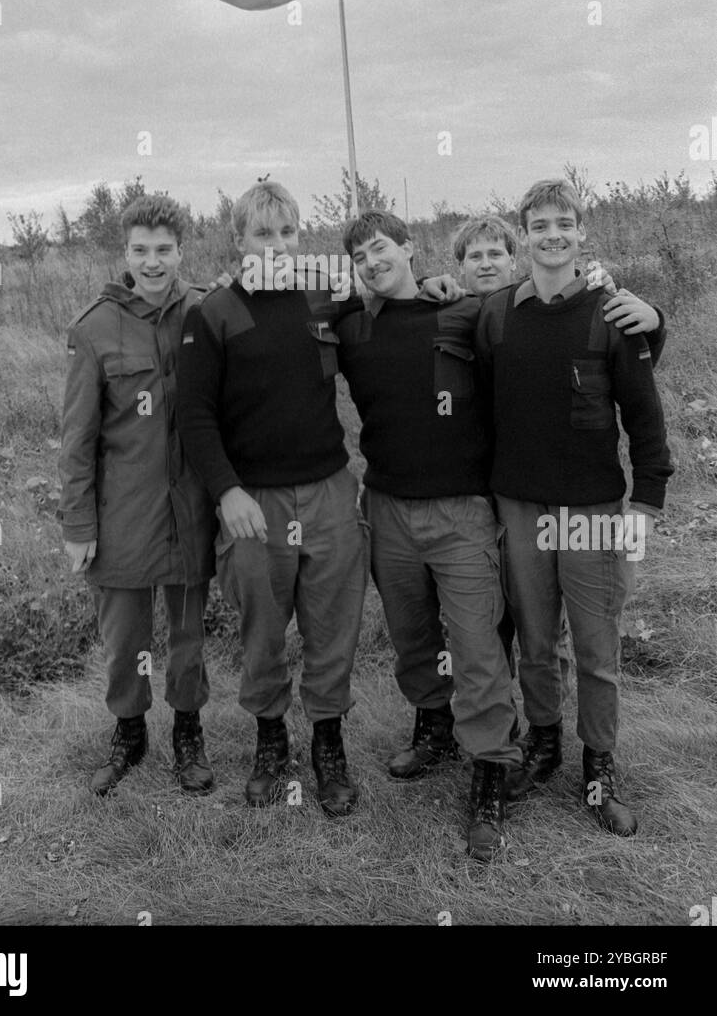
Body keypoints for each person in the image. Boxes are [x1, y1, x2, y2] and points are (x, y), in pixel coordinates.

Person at [475, 180, 673, 837]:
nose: (552, 234)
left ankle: (597, 767)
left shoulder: (610, 313)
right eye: (538, 224)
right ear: (522, 234)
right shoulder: (497, 314)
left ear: (580, 232)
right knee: (533, 642)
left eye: (564, 223)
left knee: (593, 648)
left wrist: (645, 503)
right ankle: (542, 742)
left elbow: (644, 420)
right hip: (519, 505)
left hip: (590, 509)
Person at [176, 181, 368, 818]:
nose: (279, 245)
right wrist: (227, 491)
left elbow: (386, 295)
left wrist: (439, 287)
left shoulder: (323, 296)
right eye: (264, 234)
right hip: (255, 500)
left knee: (333, 623)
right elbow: (195, 416)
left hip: (329, 490)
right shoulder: (214, 313)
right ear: (240, 241)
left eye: (288, 233)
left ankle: (328, 744)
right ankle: (270, 740)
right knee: (263, 627)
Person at [336, 210, 522, 861]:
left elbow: (542, 334)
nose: (370, 260)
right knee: (412, 637)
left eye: (379, 247)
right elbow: (270, 312)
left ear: (409, 247)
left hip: (462, 511)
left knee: (475, 643)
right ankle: (434, 724)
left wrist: (653, 322)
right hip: (386, 507)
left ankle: (490, 773)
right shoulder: (349, 323)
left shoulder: (464, 314)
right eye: (358, 254)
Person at [58, 193, 217, 797]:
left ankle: (187, 730)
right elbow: (78, 438)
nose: (154, 262)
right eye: (141, 250)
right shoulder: (95, 328)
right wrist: (78, 523)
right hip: (121, 512)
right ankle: (129, 730)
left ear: (181, 250)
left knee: (187, 634)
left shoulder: (207, 310)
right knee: (125, 639)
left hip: (190, 508)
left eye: (165, 250)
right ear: (124, 252)